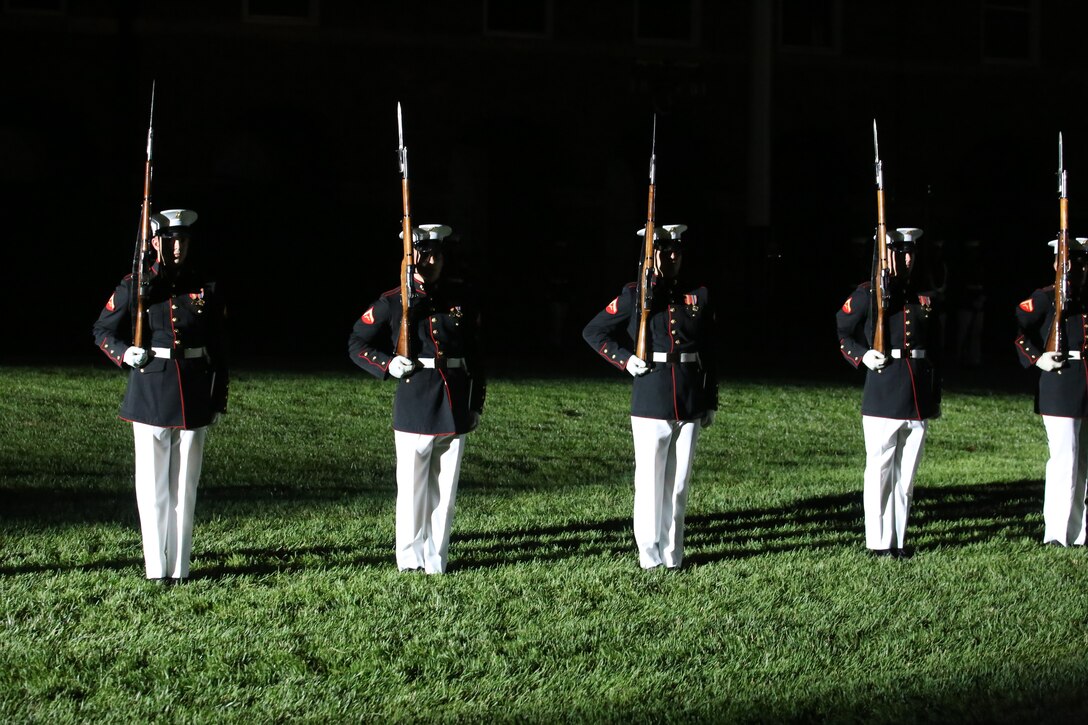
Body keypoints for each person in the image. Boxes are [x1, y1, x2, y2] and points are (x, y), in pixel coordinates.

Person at [93, 209, 228, 584]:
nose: (178, 248)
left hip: (194, 390)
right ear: (155, 242)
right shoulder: (138, 284)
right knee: (153, 486)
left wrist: (218, 396)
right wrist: (124, 353)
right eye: (170, 240)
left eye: (184, 240)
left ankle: (179, 567)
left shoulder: (206, 284)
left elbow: (218, 344)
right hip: (151, 388)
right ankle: (156, 568)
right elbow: (102, 329)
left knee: (185, 486)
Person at [348, 224, 485, 574]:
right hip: (415, 399)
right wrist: (388, 363)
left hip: (453, 400)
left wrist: (475, 403)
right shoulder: (393, 301)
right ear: (411, 259)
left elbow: (476, 354)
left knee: (444, 490)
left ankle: (436, 558)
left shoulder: (460, 298)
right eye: (424, 255)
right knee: (412, 490)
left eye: (438, 255)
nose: (432, 261)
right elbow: (357, 343)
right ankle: (410, 559)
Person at [582, 224, 717, 570]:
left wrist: (710, 398)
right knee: (651, 481)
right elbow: (594, 332)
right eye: (664, 251)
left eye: (677, 251)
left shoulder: (698, 294)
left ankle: (674, 553)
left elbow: (709, 349)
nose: (672, 257)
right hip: (652, 395)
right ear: (650, 255)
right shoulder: (636, 294)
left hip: (688, 396)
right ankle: (649, 552)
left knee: (679, 483)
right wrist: (625, 360)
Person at [836, 227, 941, 558]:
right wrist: (862, 355)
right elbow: (843, 331)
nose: (907, 259)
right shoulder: (868, 294)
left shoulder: (923, 296)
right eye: (899, 252)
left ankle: (897, 538)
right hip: (883, 392)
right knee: (880, 471)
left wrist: (933, 394)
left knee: (905, 477)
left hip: (916, 396)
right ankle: (877, 541)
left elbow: (934, 346)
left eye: (911, 253)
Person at [1014, 237, 1088, 547]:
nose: (1074, 267)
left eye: (1080, 261)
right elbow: (1019, 329)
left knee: (1084, 462)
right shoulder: (1045, 298)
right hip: (1061, 382)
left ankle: (1082, 531)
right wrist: (1037, 357)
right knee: (1064, 459)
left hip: (1085, 382)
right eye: (1068, 261)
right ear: (1057, 263)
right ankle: (1057, 533)